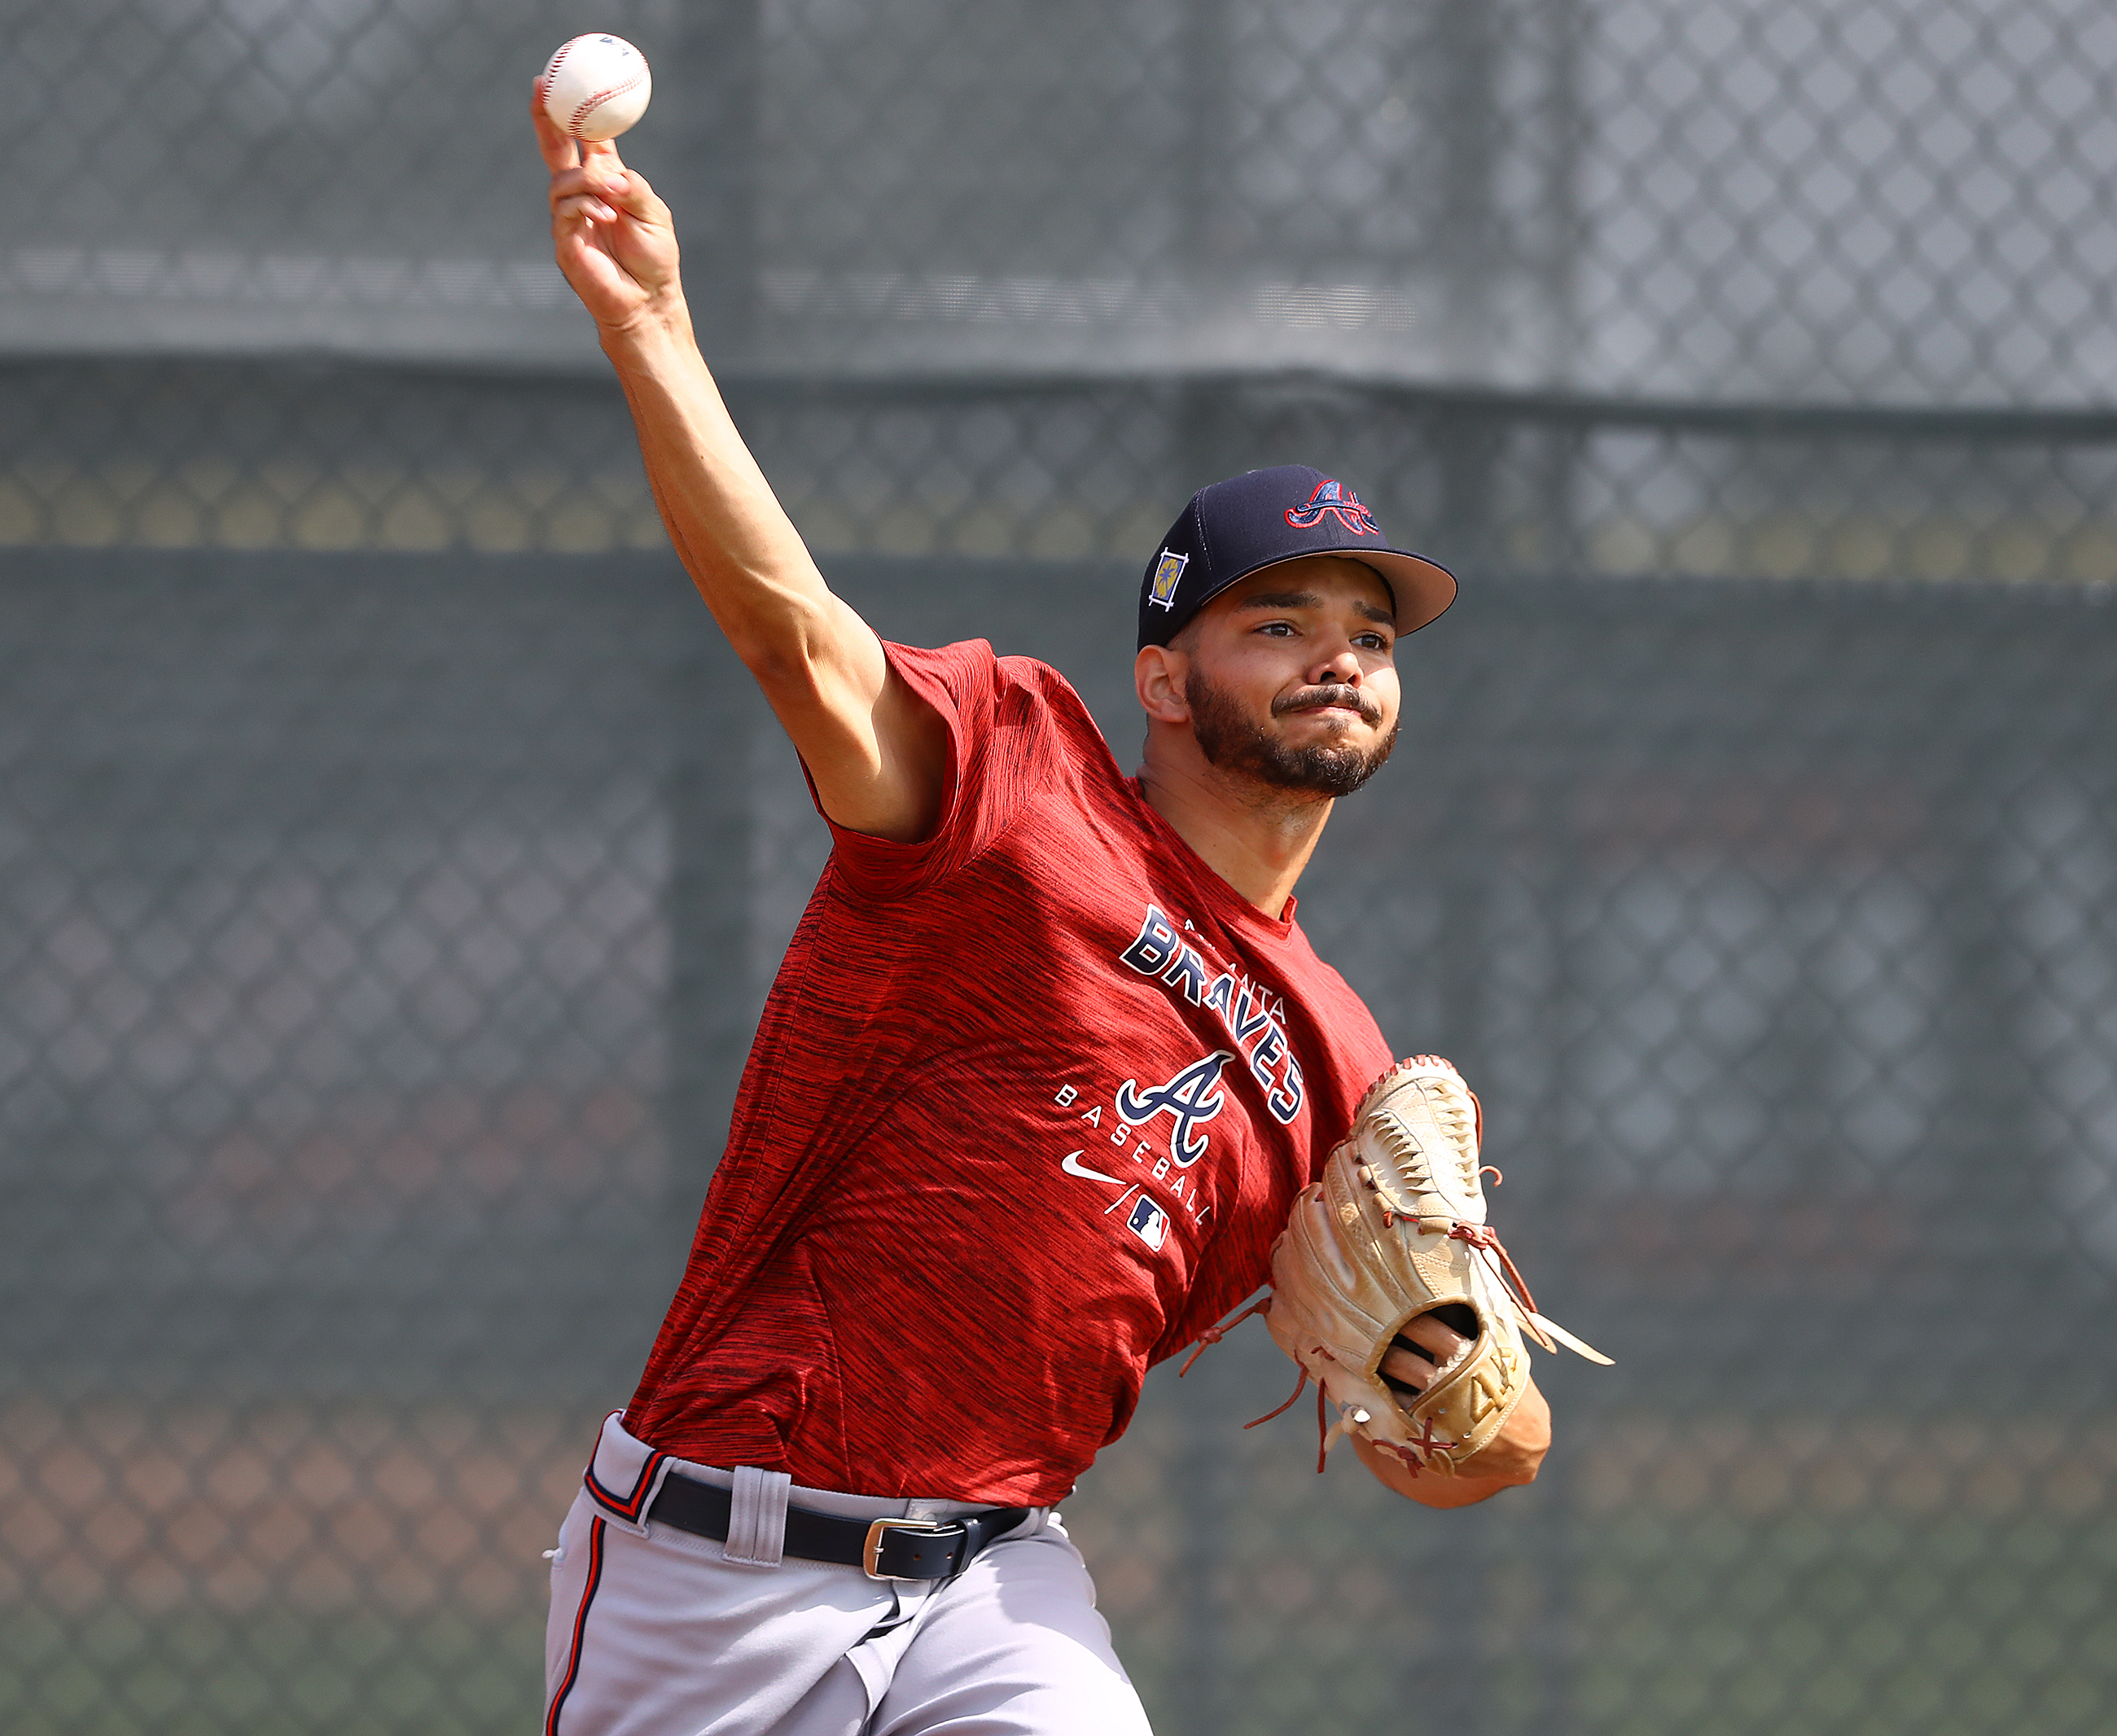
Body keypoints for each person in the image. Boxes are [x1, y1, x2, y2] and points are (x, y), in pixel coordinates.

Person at [532, 94, 1552, 1736]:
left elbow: (1450, 1456)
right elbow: (796, 642)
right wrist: (652, 327)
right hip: (711, 1559)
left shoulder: (1336, 1058)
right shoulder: (1013, 777)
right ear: (1161, 679)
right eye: (1274, 621)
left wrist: (1467, 1409)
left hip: (996, 1582)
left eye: (1369, 631)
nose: (1338, 656)